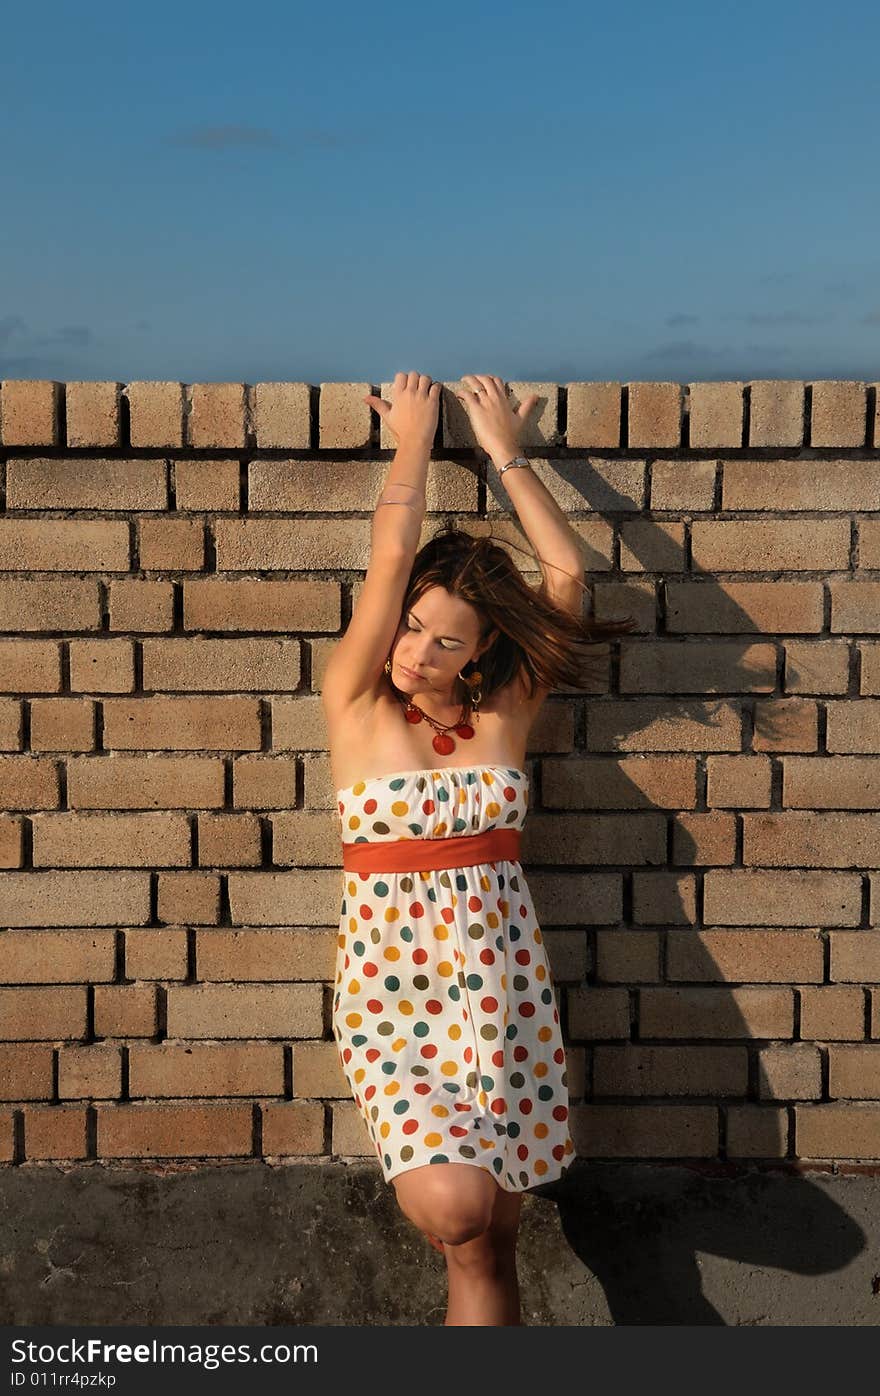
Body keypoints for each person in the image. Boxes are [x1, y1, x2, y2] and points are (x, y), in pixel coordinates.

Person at [322, 371, 636, 1325]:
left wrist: (507, 453)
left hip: (505, 1000)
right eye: (413, 628)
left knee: (488, 1243)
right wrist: (414, 442)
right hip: (397, 1000)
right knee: (458, 1210)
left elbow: (567, 580)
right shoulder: (357, 704)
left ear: (483, 652)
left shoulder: (505, 713)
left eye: (446, 642)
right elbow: (390, 557)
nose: (416, 653)